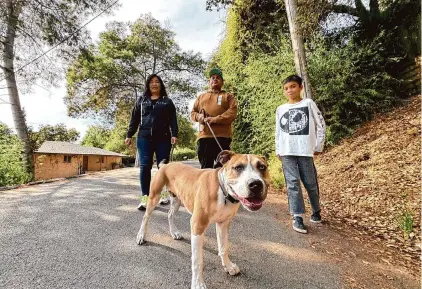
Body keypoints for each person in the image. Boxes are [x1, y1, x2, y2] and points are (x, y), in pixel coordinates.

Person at [275, 74, 326, 234]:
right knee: (292, 183)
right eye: (286, 88)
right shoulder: (281, 109)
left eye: (293, 87)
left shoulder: (308, 103)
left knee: (310, 183)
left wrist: (318, 145)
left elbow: (321, 124)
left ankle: (316, 211)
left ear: (300, 87)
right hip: (287, 151)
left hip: (305, 150)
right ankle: (297, 216)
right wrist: (278, 149)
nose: (289, 90)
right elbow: (278, 131)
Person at [125, 74, 178, 210]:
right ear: (148, 85)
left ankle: (164, 194)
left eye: (157, 82)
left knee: (163, 167)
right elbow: (134, 119)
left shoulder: (167, 101)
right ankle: (145, 198)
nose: (154, 84)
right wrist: (129, 134)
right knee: (145, 167)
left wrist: (174, 134)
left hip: (163, 138)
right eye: (152, 82)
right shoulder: (141, 100)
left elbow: (173, 119)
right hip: (144, 137)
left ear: (161, 85)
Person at [190, 68, 238, 169]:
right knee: (205, 168)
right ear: (209, 81)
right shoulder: (201, 97)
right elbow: (193, 113)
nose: (215, 79)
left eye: (218, 78)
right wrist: (199, 117)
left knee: (222, 167)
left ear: (222, 82)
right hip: (204, 137)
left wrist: (215, 119)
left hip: (222, 137)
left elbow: (232, 113)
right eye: (213, 78)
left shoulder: (228, 96)